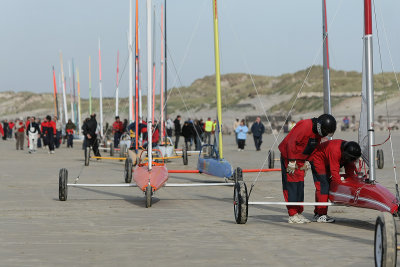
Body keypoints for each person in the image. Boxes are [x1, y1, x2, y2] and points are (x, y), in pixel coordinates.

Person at [278, 114, 337, 224]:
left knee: (300, 185)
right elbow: (291, 142)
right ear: (320, 127)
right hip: (290, 156)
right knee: (292, 185)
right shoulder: (305, 125)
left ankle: (299, 213)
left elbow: (314, 147)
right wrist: (291, 161)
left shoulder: (318, 134)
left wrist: (307, 162)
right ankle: (292, 214)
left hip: (301, 159)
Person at [309, 140, 360, 223]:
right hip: (318, 159)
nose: (351, 160)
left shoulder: (349, 152)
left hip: (327, 160)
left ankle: (318, 213)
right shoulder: (335, 151)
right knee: (323, 185)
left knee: (325, 184)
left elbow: (350, 170)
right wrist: (342, 188)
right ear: (345, 154)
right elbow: (335, 173)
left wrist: (353, 181)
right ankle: (320, 215)